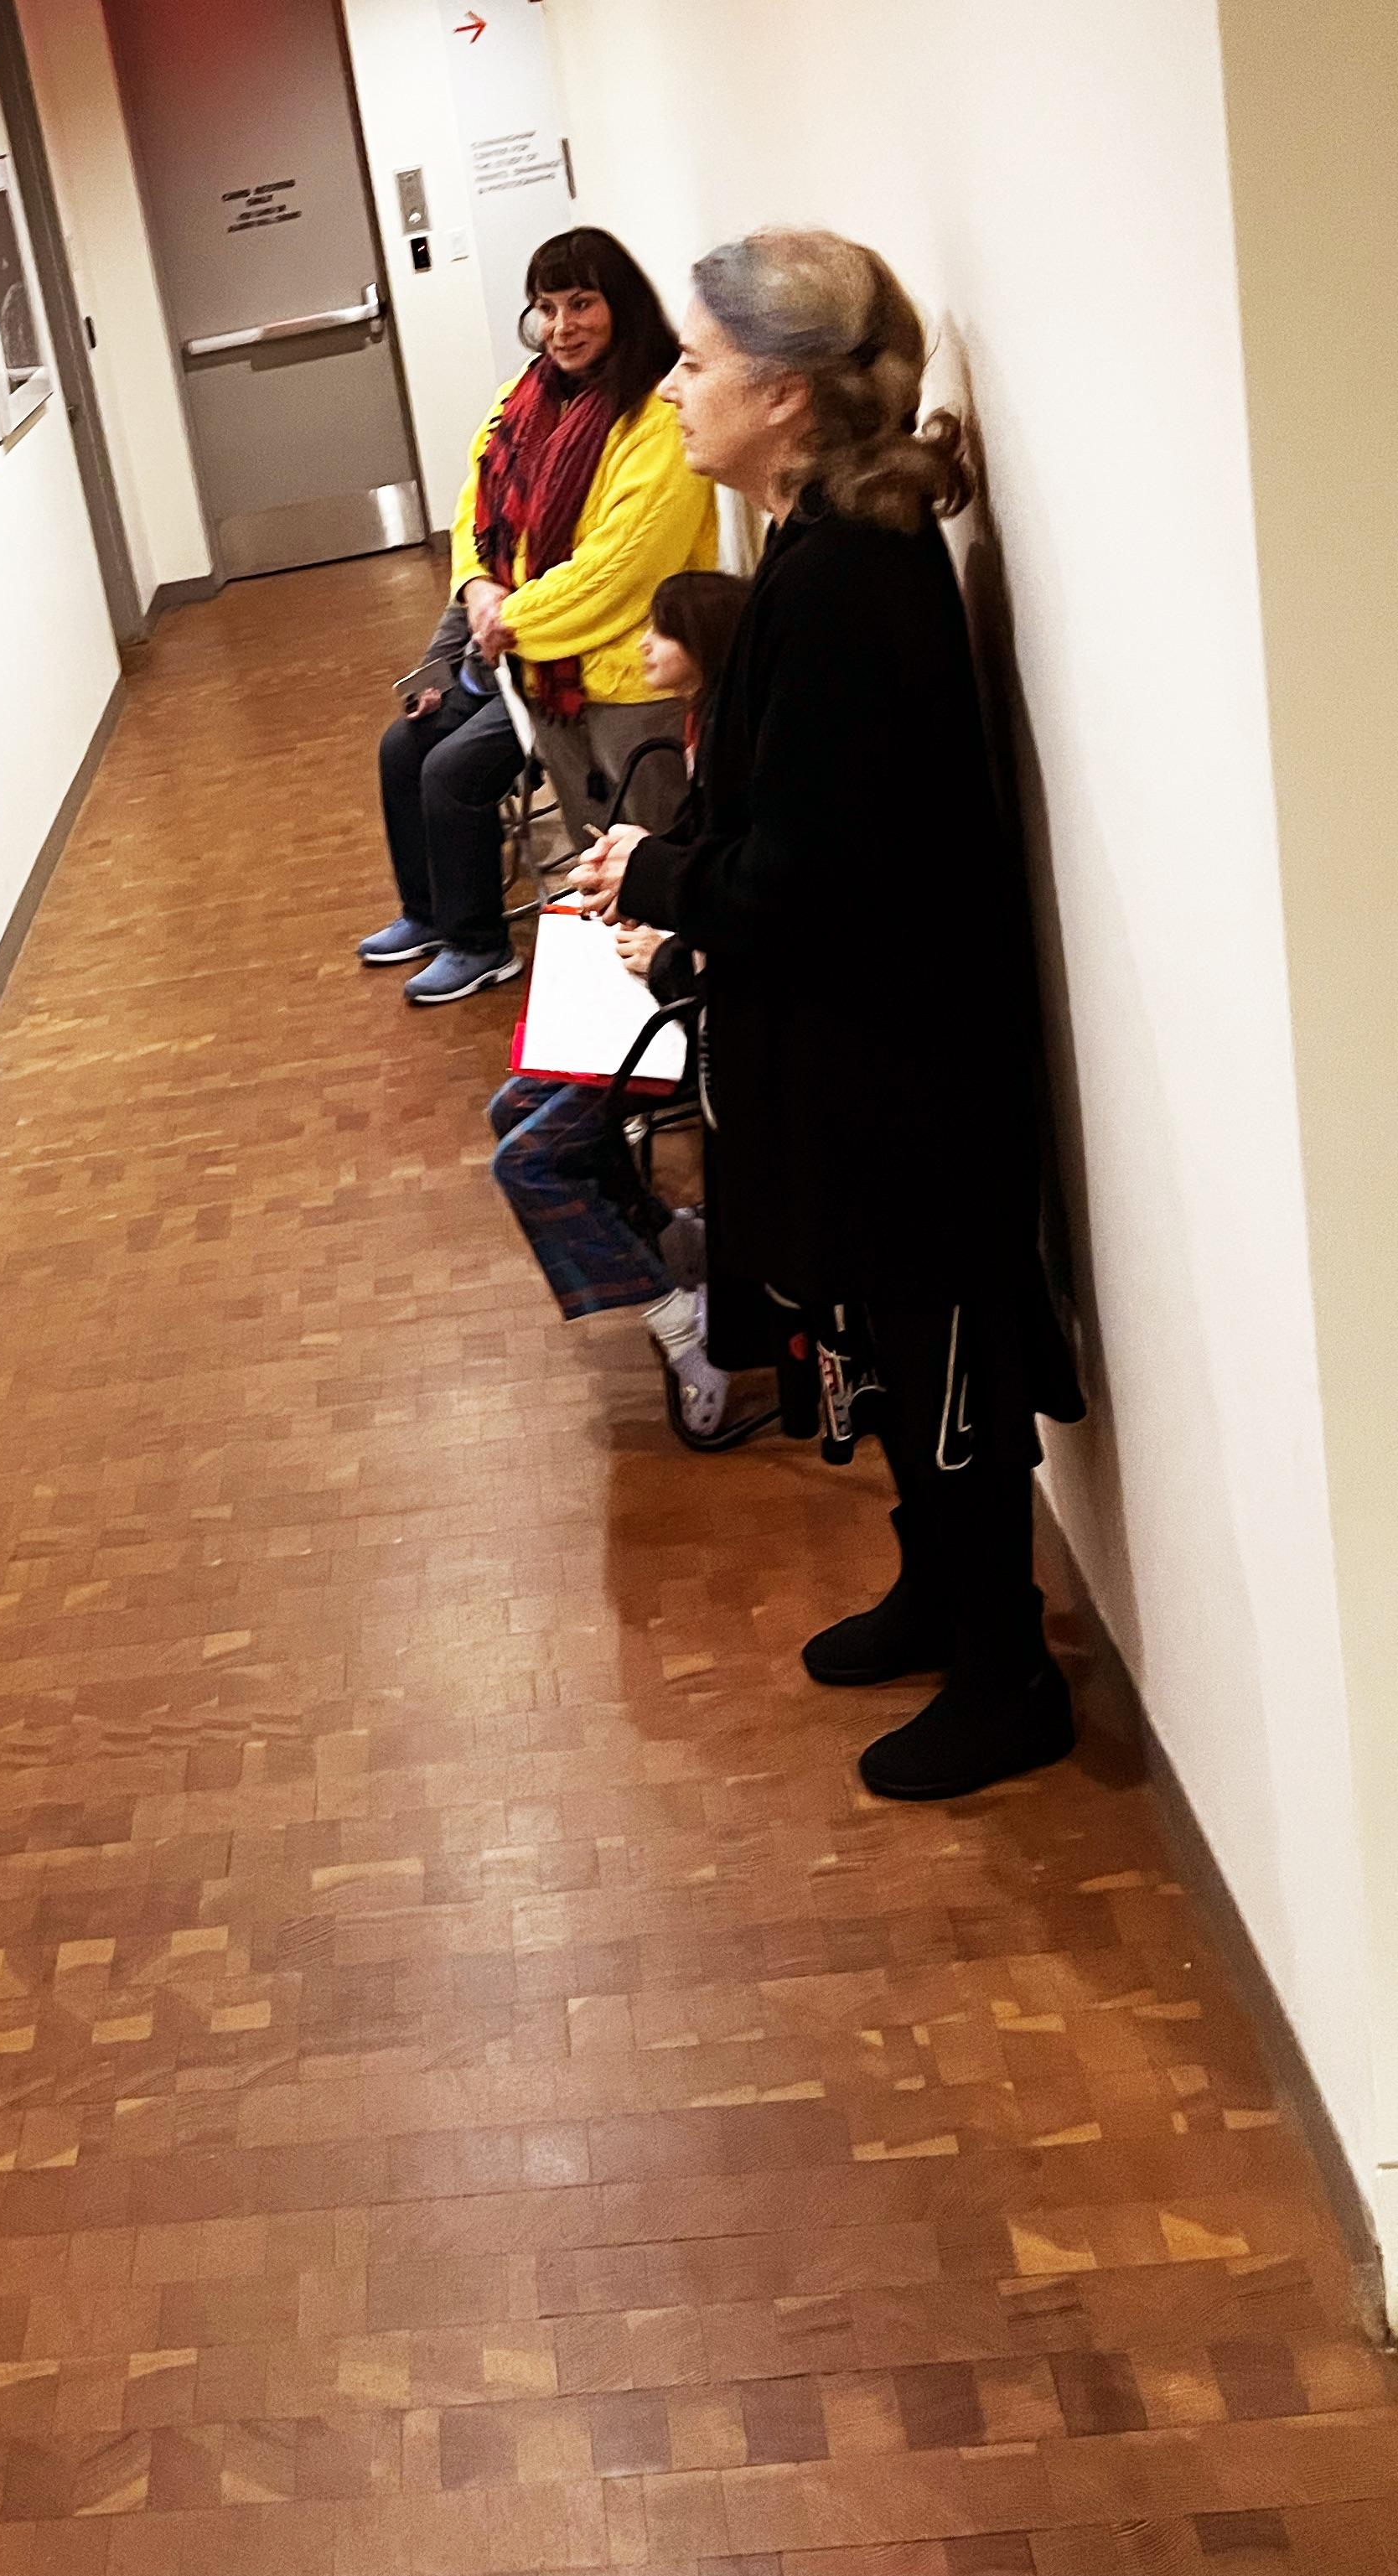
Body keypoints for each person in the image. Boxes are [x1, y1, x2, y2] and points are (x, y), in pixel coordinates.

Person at [572, 228, 1083, 1802]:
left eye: (697, 364)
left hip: (905, 1057)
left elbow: (806, 871)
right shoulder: (812, 549)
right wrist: (671, 871)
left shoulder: (854, 583)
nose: (672, 388)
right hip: (857, 1047)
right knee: (881, 1320)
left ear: (784, 394)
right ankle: (938, 1590)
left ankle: (1004, 1670)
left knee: (938, 1347)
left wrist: (652, 867)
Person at [360, 227, 716, 1008]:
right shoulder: (523, 397)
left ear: (620, 304)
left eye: (582, 303)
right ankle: (437, 919)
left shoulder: (654, 414)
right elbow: (474, 506)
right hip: (528, 666)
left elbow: (617, 576)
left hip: (617, 677)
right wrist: (476, 588)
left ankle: (641, 1007)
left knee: (628, 853)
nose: (562, 327)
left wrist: (504, 618)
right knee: (408, 747)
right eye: (546, 308)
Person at [487, 571, 749, 1430]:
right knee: (511, 1109)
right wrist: (634, 860)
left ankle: (683, 1332)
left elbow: (735, 899)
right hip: (669, 981)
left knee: (524, 1159)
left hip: (698, 1012)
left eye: (660, 632)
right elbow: (698, 858)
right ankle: (665, 1234)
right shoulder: (701, 728)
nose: (642, 647)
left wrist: (666, 948)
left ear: (703, 643)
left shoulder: (736, 740)